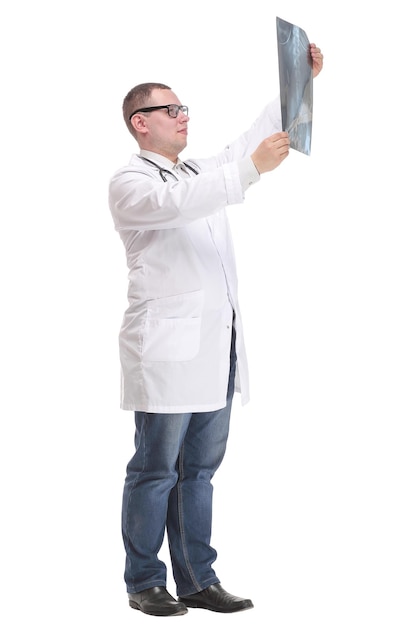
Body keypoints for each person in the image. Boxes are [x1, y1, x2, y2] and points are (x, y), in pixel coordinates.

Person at [108, 44, 324, 617]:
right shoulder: (132, 182)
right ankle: (144, 580)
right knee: (156, 470)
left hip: (215, 350)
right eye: (171, 109)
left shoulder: (197, 170)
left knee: (199, 472)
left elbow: (242, 147)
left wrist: (295, 82)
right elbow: (184, 201)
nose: (184, 116)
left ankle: (197, 578)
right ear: (141, 122)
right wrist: (251, 170)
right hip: (167, 355)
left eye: (185, 107)